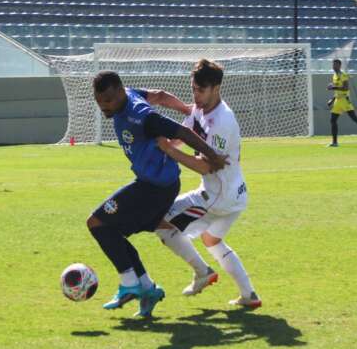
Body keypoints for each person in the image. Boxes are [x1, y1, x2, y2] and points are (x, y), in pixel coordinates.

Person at [88, 71, 227, 318]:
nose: (104, 107)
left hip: (154, 188)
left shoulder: (142, 116)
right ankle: (147, 289)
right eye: (99, 102)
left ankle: (132, 283)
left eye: (108, 100)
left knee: (97, 223)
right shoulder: (129, 94)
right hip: (154, 184)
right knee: (114, 231)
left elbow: (182, 134)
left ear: (120, 92)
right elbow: (161, 95)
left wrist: (212, 155)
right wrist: (186, 109)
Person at [149, 59, 261, 309]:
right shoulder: (200, 110)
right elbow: (182, 134)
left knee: (158, 220)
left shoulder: (222, 121)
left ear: (216, 88)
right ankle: (249, 295)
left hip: (217, 197)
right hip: (236, 195)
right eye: (194, 90)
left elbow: (207, 165)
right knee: (212, 240)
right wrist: (163, 149)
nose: (196, 96)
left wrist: (168, 150)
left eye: (201, 90)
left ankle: (203, 272)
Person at [327, 58, 357, 147]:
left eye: (335, 65)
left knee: (354, 118)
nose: (333, 66)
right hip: (337, 100)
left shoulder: (343, 75)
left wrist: (333, 88)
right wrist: (332, 100)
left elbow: (345, 88)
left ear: (339, 65)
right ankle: (335, 142)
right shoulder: (334, 76)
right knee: (333, 120)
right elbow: (337, 90)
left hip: (344, 100)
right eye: (333, 65)